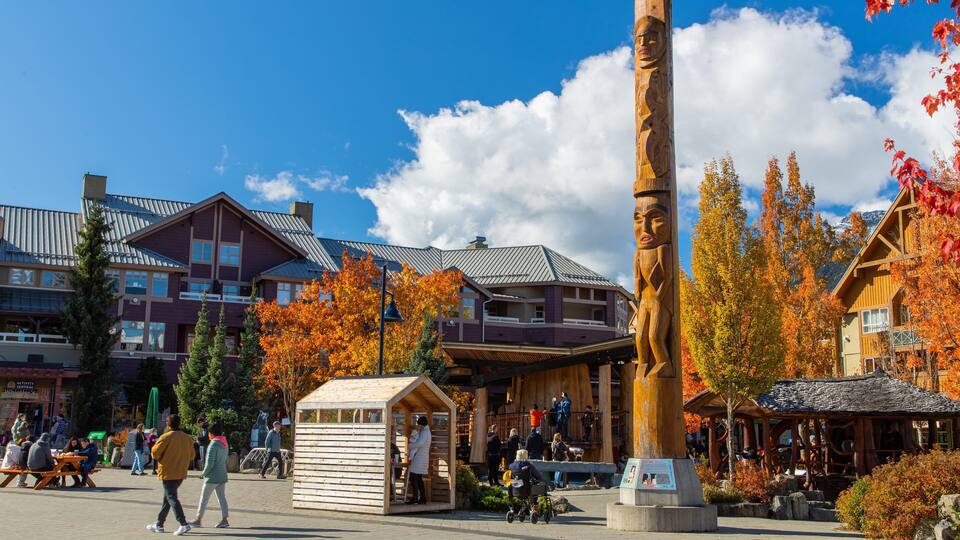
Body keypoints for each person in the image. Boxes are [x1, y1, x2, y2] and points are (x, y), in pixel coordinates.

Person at [146, 414, 195, 536]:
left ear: (168, 424)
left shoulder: (166, 436)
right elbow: (192, 455)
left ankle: (183, 523)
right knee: (167, 498)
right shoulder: (187, 438)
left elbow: (155, 452)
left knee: (171, 497)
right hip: (181, 472)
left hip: (168, 472)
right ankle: (159, 524)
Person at [188, 422, 230, 529]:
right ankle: (225, 519)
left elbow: (209, 463)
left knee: (204, 498)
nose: (208, 435)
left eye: (209, 433)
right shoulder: (224, 442)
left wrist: (203, 474)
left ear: (211, 433)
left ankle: (198, 520)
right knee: (222, 498)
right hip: (222, 475)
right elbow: (226, 460)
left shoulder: (213, 444)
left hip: (212, 477)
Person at [407, 416, 432, 504]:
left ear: (421, 424)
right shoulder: (425, 431)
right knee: (418, 478)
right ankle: (422, 498)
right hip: (421, 457)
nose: (418, 426)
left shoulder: (425, 432)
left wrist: (410, 446)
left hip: (420, 458)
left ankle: (415, 498)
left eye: (419, 424)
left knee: (414, 477)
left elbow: (420, 443)